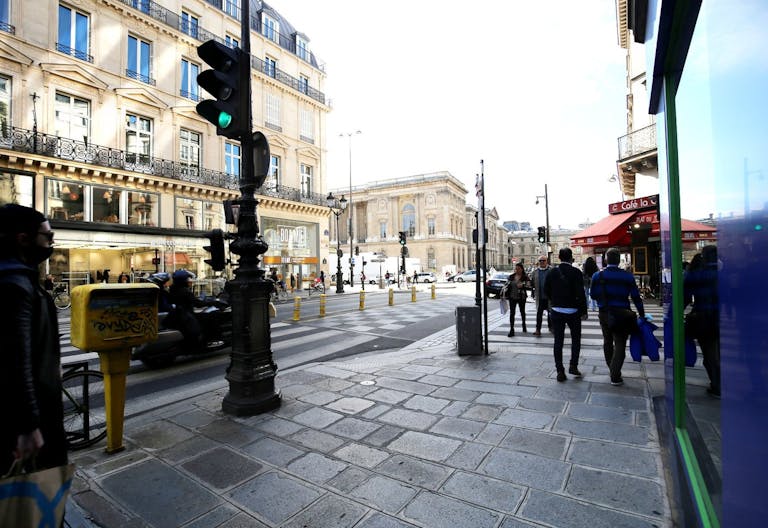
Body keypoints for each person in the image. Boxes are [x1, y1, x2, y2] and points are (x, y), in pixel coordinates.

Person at [0, 204, 68, 479]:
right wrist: (28, 425)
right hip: (36, 415)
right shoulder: (14, 284)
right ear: (23, 239)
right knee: (42, 490)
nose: (51, 243)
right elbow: (15, 360)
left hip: (32, 409)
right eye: (47, 237)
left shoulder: (19, 277)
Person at [590, 247, 646, 386]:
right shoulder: (627, 276)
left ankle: (612, 368)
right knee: (620, 343)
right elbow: (636, 297)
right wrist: (642, 313)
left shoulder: (598, 275)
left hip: (605, 313)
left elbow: (593, 295)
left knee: (607, 340)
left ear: (606, 259)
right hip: (622, 313)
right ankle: (615, 374)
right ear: (619, 260)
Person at [544, 247, 588, 382]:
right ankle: (573, 365)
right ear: (571, 258)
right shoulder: (576, 272)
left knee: (558, 341)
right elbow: (581, 293)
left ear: (559, 257)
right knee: (576, 340)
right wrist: (584, 311)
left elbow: (546, 290)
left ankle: (560, 371)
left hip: (557, 310)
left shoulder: (552, 272)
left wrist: (555, 300)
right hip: (573, 311)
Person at [684, 245, 720, 398]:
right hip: (722, 318)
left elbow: (685, 296)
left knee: (709, 353)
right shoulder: (726, 272)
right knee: (716, 351)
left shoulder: (697, 274)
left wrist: (673, 314)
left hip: (704, 317)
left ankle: (717, 384)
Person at [504, 263, 529, 337]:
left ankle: (523, 324)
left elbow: (529, 285)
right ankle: (512, 329)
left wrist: (523, 285)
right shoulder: (511, 276)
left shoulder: (525, 277)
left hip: (522, 297)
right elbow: (506, 284)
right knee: (512, 313)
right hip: (512, 297)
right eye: (516, 269)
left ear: (522, 269)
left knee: (522, 312)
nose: (517, 270)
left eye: (518, 268)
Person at [530, 255, 552, 336]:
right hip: (540, 297)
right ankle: (538, 329)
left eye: (543, 260)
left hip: (550, 297)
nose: (542, 262)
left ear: (547, 261)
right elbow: (531, 283)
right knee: (539, 314)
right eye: (540, 261)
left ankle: (551, 327)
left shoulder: (551, 270)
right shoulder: (535, 272)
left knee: (550, 313)